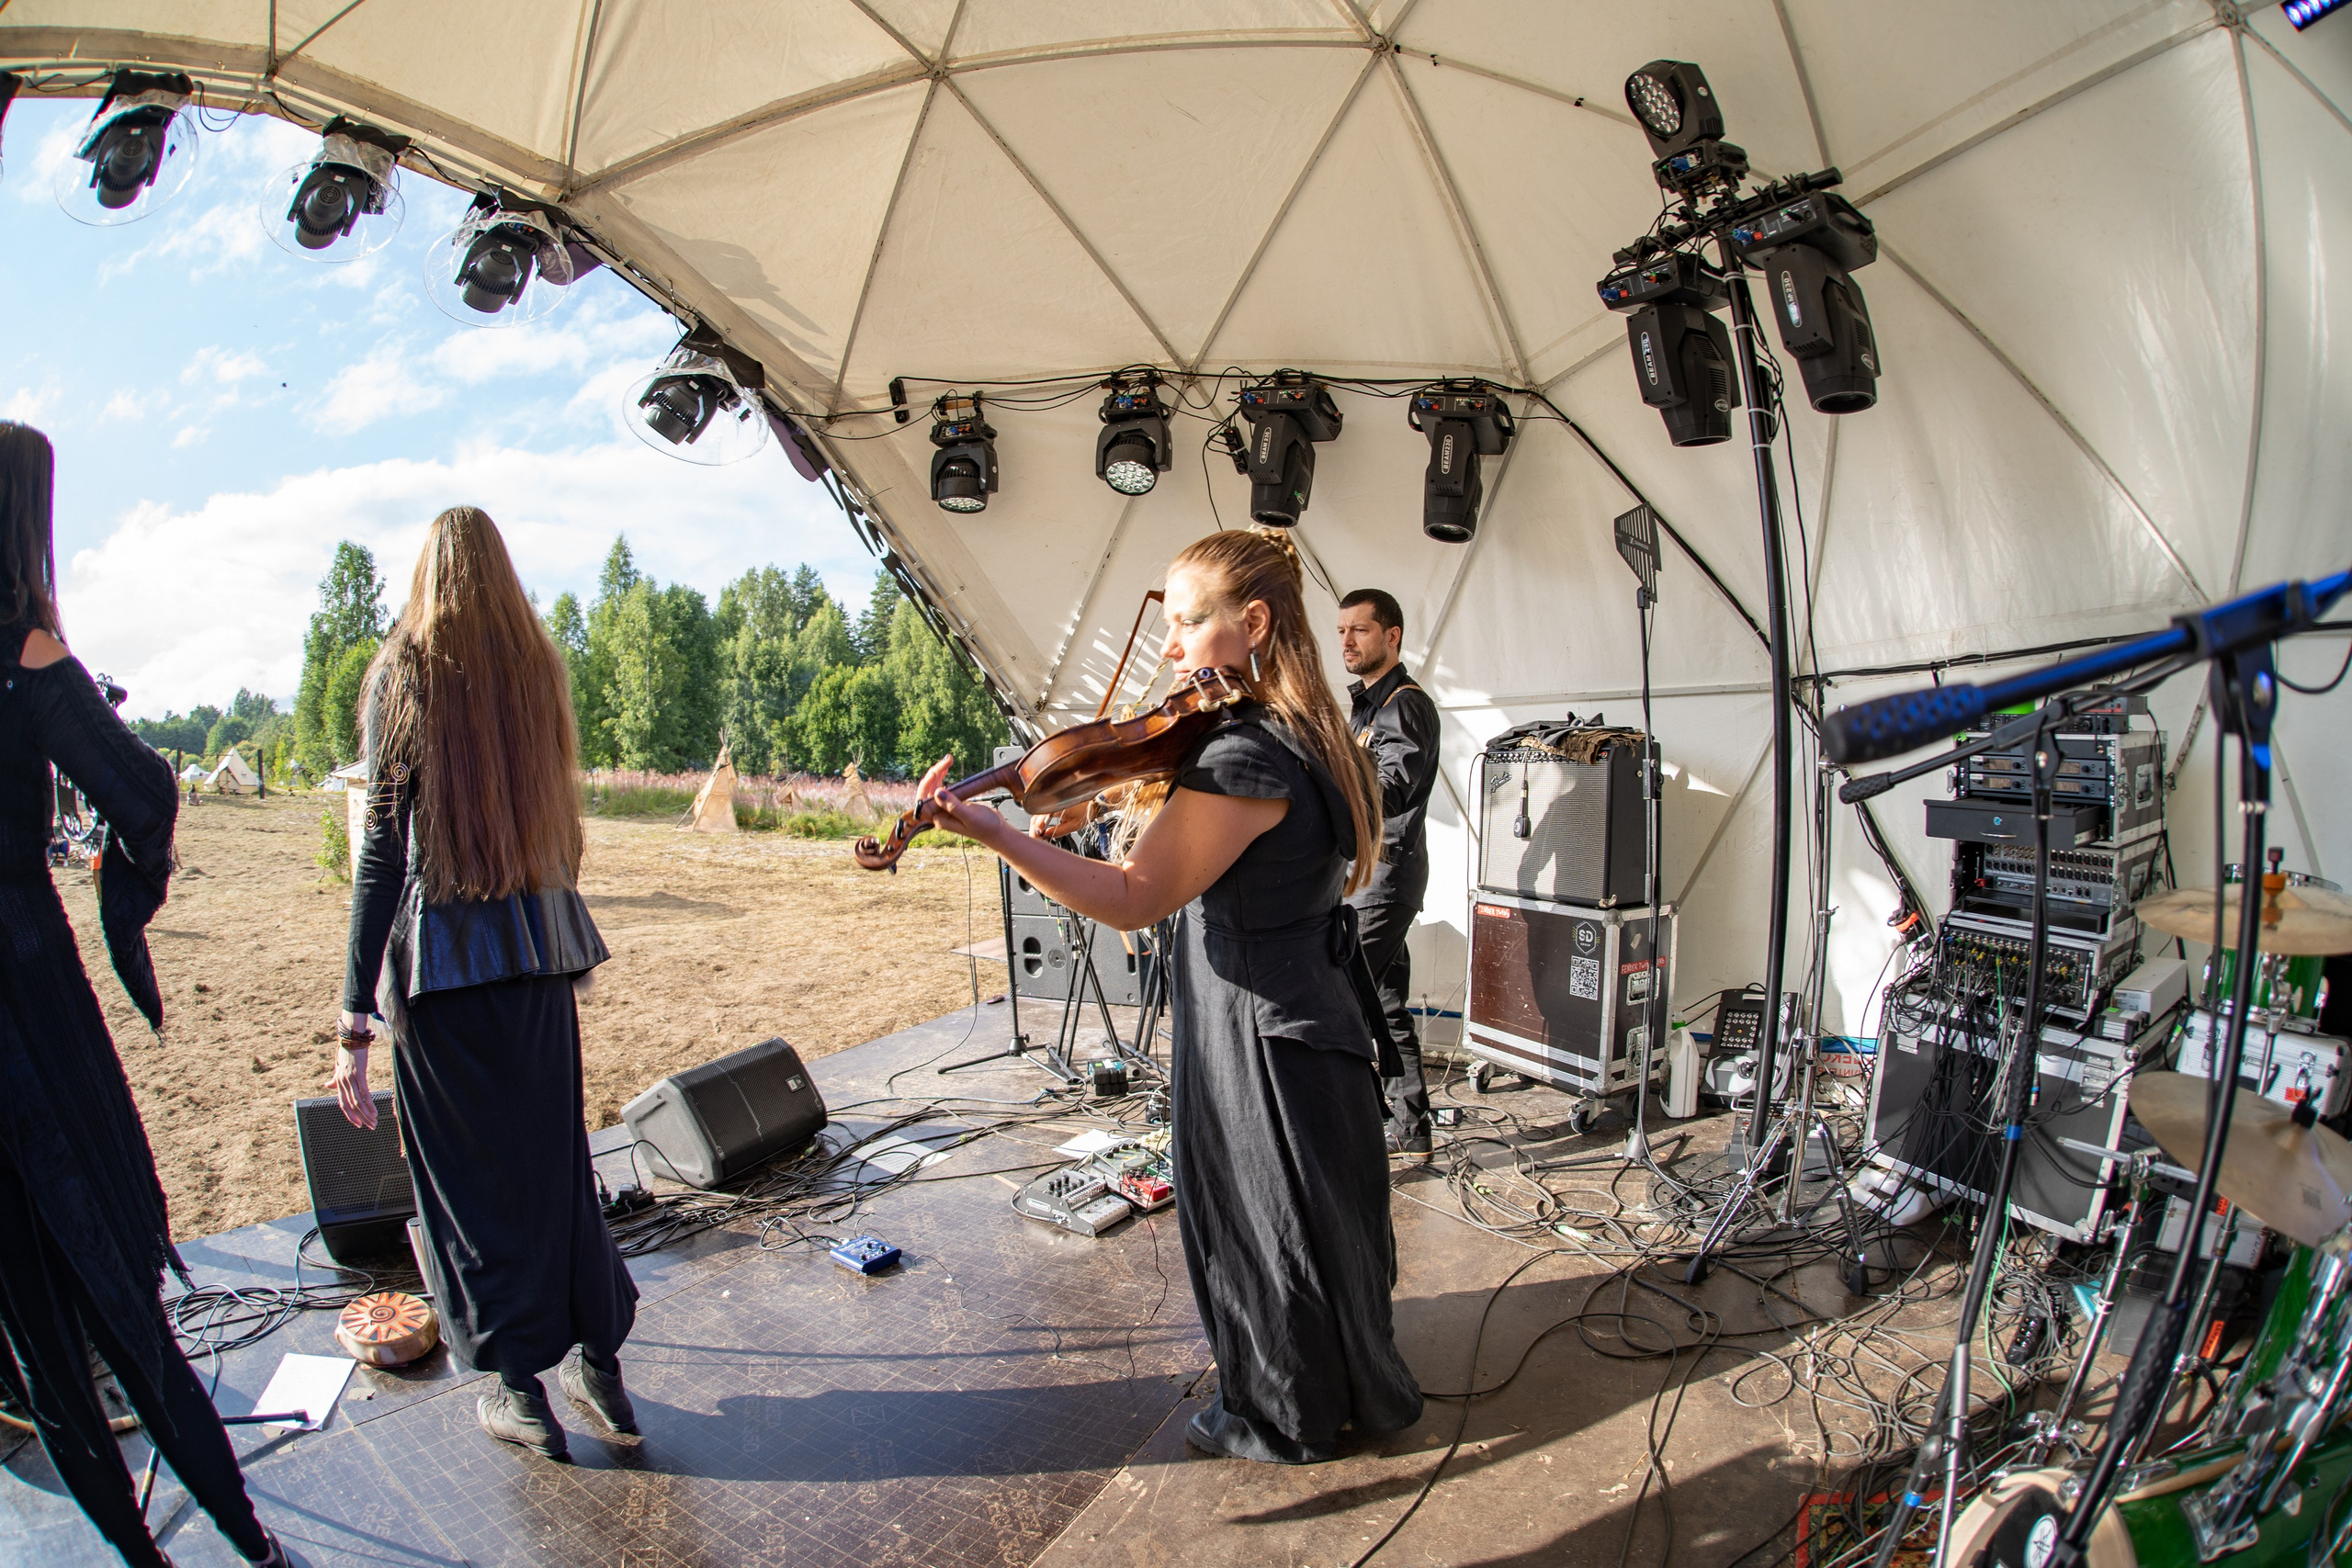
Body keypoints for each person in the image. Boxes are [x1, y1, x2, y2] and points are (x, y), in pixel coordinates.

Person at [917, 527, 1423, 1464]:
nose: (1171, 646)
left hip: (1257, 1030)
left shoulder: (1243, 756)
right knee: (1314, 1225)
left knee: (1263, 1227)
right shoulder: (1308, 730)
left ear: (1254, 622)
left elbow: (1132, 898)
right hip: (1305, 1010)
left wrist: (994, 830)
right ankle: (1339, 1389)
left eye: (1187, 621)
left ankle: (1281, 1415)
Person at [0, 423, 286, 1567]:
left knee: (32, 1331)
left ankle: (141, 1556)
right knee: (121, 1295)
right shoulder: (24, 654)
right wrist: (128, 918)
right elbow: (142, 795)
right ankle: (249, 1546)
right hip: (30, 1015)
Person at [331, 505, 634, 1461]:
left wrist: (350, 1018)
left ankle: (519, 1394)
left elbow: (382, 852)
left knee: (471, 1192)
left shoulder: (404, 673)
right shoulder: (536, 670)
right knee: (554, 1174)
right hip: (539, 957)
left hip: (444, 975)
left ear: (426, 575)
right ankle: (603, 1376)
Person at [1335, 589, 1442, 1162]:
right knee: (1386, 1005)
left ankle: (1345, 1133)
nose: (1347, 641)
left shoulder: (1404, 705)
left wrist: (1325, 797)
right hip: (1366, 874)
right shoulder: (1364, 707)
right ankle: (1412, 1129)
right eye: (1342, 631)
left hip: (1386, 879)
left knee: (1338, 1000)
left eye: (1360, 630)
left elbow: (1391, 789)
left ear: (1392, 636)